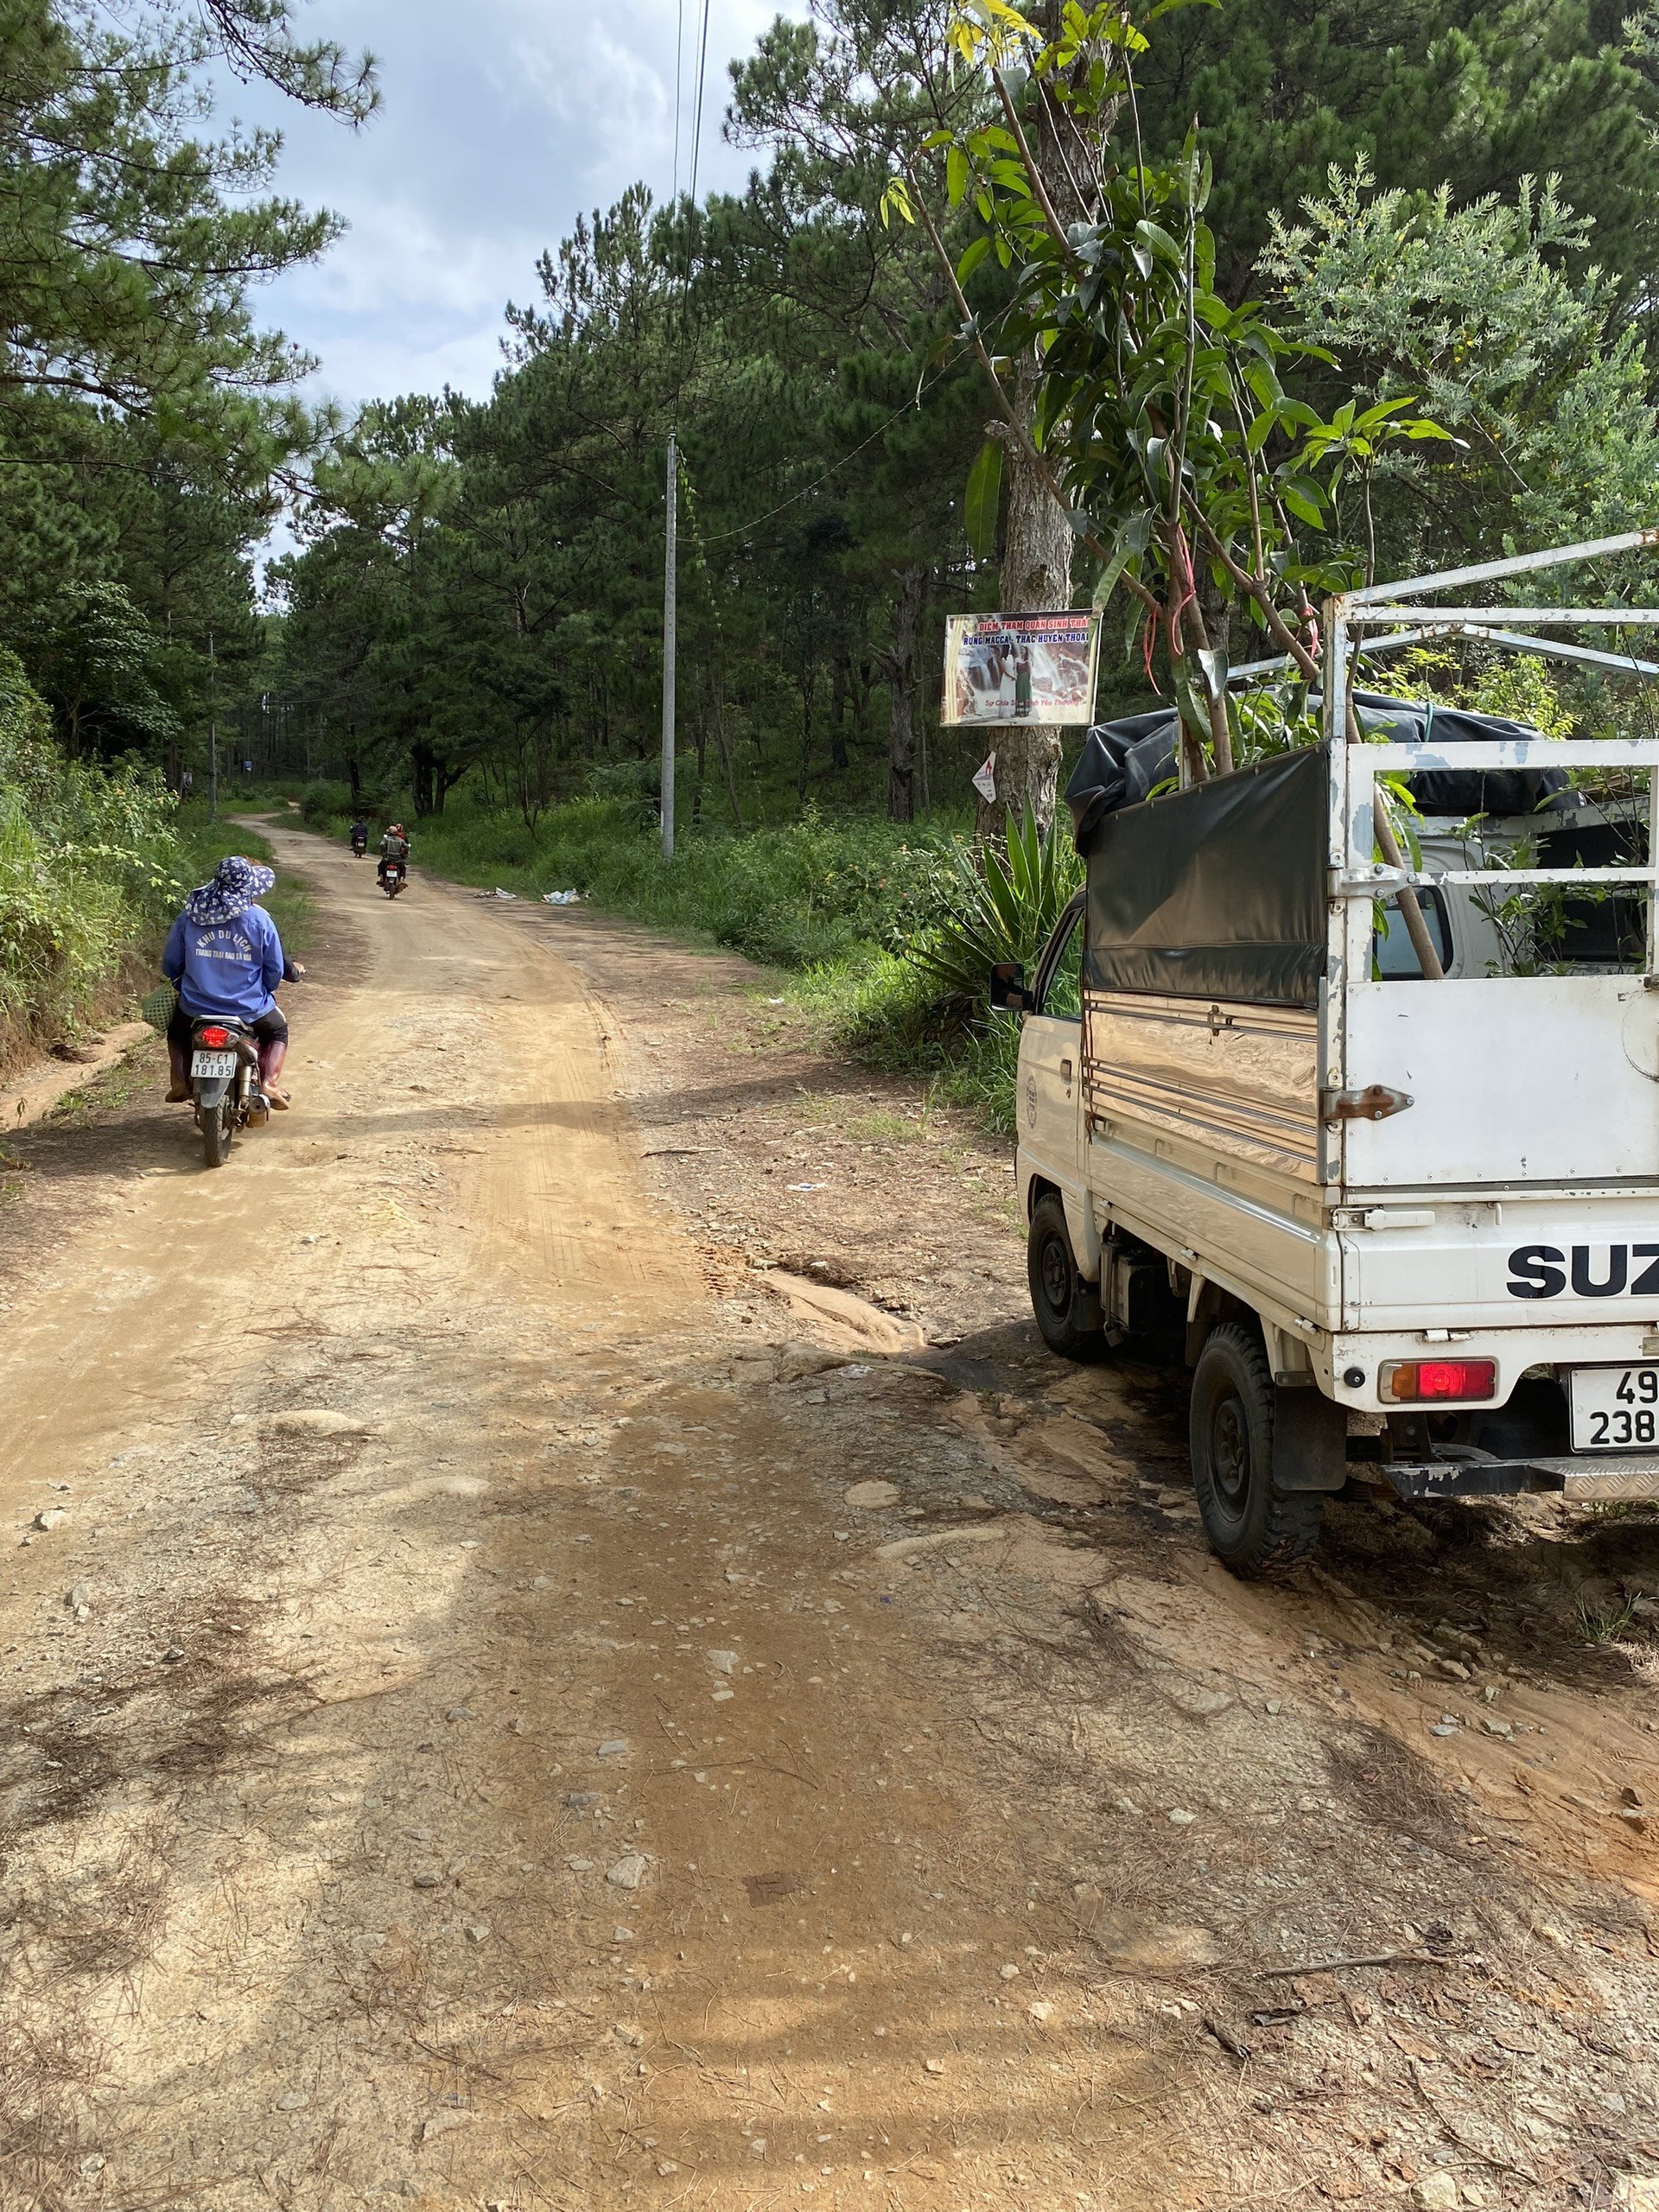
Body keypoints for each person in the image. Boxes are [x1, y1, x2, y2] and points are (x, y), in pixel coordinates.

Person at [161, 856, 302, 1110]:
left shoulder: (190, 916)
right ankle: (269, 1083)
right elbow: (274, 970)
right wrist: (265, 990)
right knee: (277, 1031)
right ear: (248, 886)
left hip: (195, 1007)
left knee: (177, 1031)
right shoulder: (259, 920)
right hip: (249, 1008)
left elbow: (171, 964)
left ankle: (180, 1082)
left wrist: (184, 981)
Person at [378, 820, 410, 888]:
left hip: (388, 859)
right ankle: (401, 880)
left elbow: (381, 844)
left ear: (389, 832)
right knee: (403, 868)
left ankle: (381, 879)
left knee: (380, 866)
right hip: (398, 860)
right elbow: (406, 846)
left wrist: (383, 850)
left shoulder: (387, 839)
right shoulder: (401, 840)